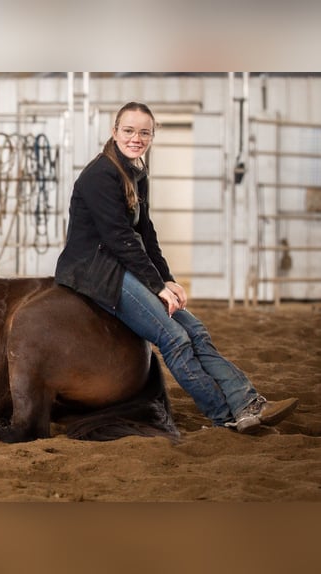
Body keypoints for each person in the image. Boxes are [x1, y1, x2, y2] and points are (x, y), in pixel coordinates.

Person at [54, 101, 298, 434]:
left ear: (152, 135)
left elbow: (146, 233)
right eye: (128, 131)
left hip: (120, 263)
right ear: (114, 132)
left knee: (195, 330)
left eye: (144, 132)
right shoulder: (100, 175)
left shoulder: (135, 170)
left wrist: (168, 279)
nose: (136, 138)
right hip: (95, 268)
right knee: (174, 338)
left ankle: (247, 404)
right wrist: (157, 287)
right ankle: (223, 415)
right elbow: (119, 238)